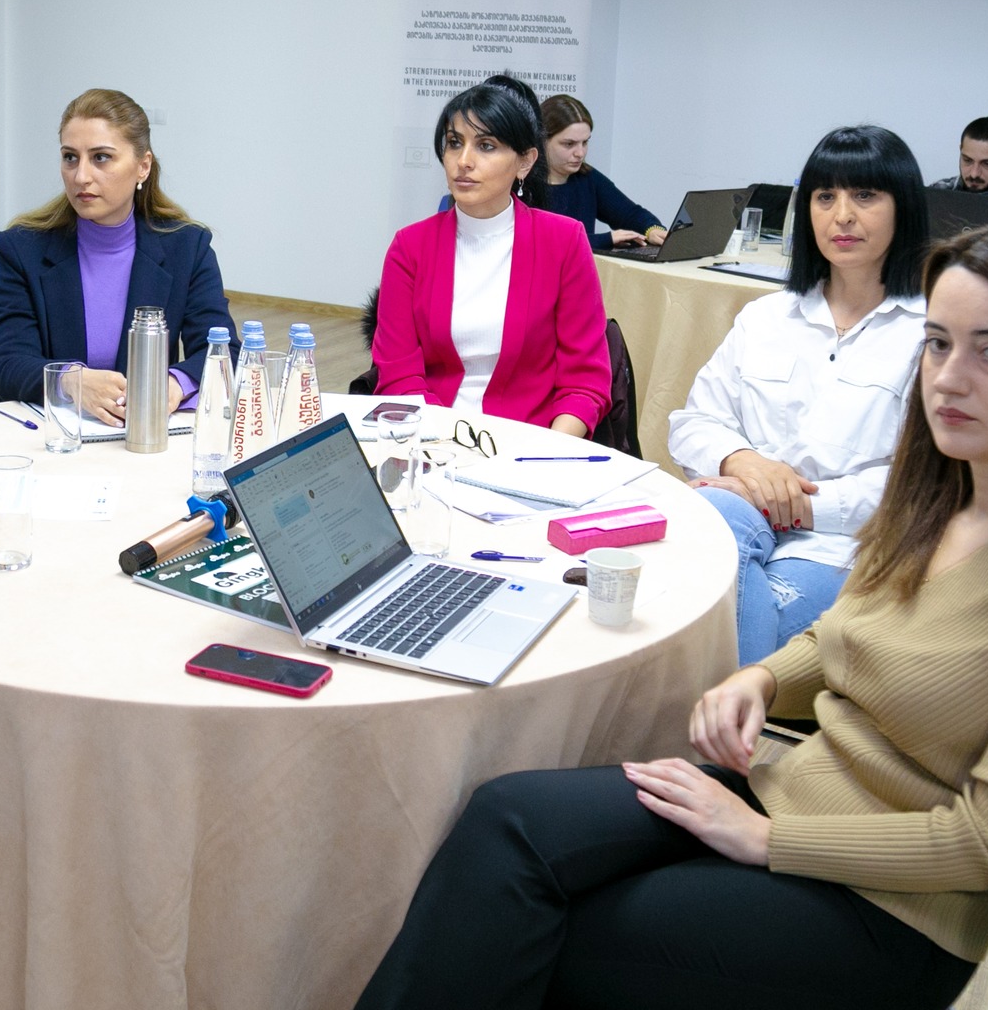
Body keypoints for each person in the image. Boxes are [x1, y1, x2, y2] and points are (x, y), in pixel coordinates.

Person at [312, 217, 988, 1010]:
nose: (949, 378)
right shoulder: (940, 501)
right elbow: (840, 639)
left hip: (887, 920)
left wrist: (767, 839)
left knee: (510, 935)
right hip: (788, 803)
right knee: (508, 822)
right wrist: (761, 677)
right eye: (939, 344)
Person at [669, 125, 931, 663]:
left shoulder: (932, 334)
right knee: (683, 579)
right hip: (737, 517)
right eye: (825, 197)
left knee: (704, 624)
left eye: (865, 195)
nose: (842, 216)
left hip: (846, 546)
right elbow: (693, 423)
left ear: (903, 207)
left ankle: (724, 716)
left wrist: (796, 506)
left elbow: (922, 482)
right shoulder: (766, 317)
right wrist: (743, 461)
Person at [373, 81, 613, 437]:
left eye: (486, 146)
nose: (463, 161)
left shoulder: (564, 241)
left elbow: (584, 382)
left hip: (534, 443)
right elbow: (398, 376)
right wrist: (449, 444)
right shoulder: (410, 247)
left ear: (525, 161)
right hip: (432, 438)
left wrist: (549, 452)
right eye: (455, 143)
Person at [0, 89, 236, 424]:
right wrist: (71, 381)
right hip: (49, 434)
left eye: (101, 157)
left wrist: (174, 384)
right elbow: (7, 364)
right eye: (70, 157)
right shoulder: (21, 249)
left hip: (141, 433)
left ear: (143, 166)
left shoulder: (187, 247)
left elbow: (223, 352)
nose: (81, 176)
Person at [537, 94, 668, 249]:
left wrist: (651, 229)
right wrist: (605, 239)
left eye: (585, 142)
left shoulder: (587, 178)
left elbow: (628, 213)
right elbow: (544, 242)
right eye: (569, 144)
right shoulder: (524, 184)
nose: (580, 153)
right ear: (542, 140)